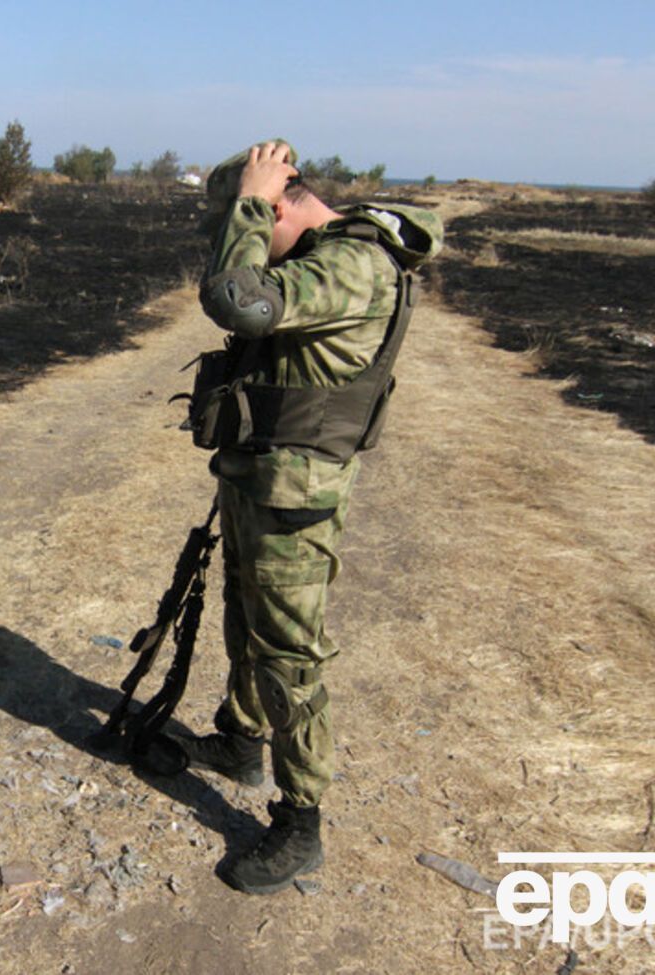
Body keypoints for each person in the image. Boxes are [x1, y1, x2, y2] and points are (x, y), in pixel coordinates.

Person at [176, 141, 443, 894]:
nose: (249, 235)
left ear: (285, 200)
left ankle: (300, 821)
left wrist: (251, 201)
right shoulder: (326, 256)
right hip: (263, 474)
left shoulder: (352, 265)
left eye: (258, 216)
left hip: (296, 493)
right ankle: (240, 738)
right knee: (245, 616)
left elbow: (237, 298)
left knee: (290, 653)